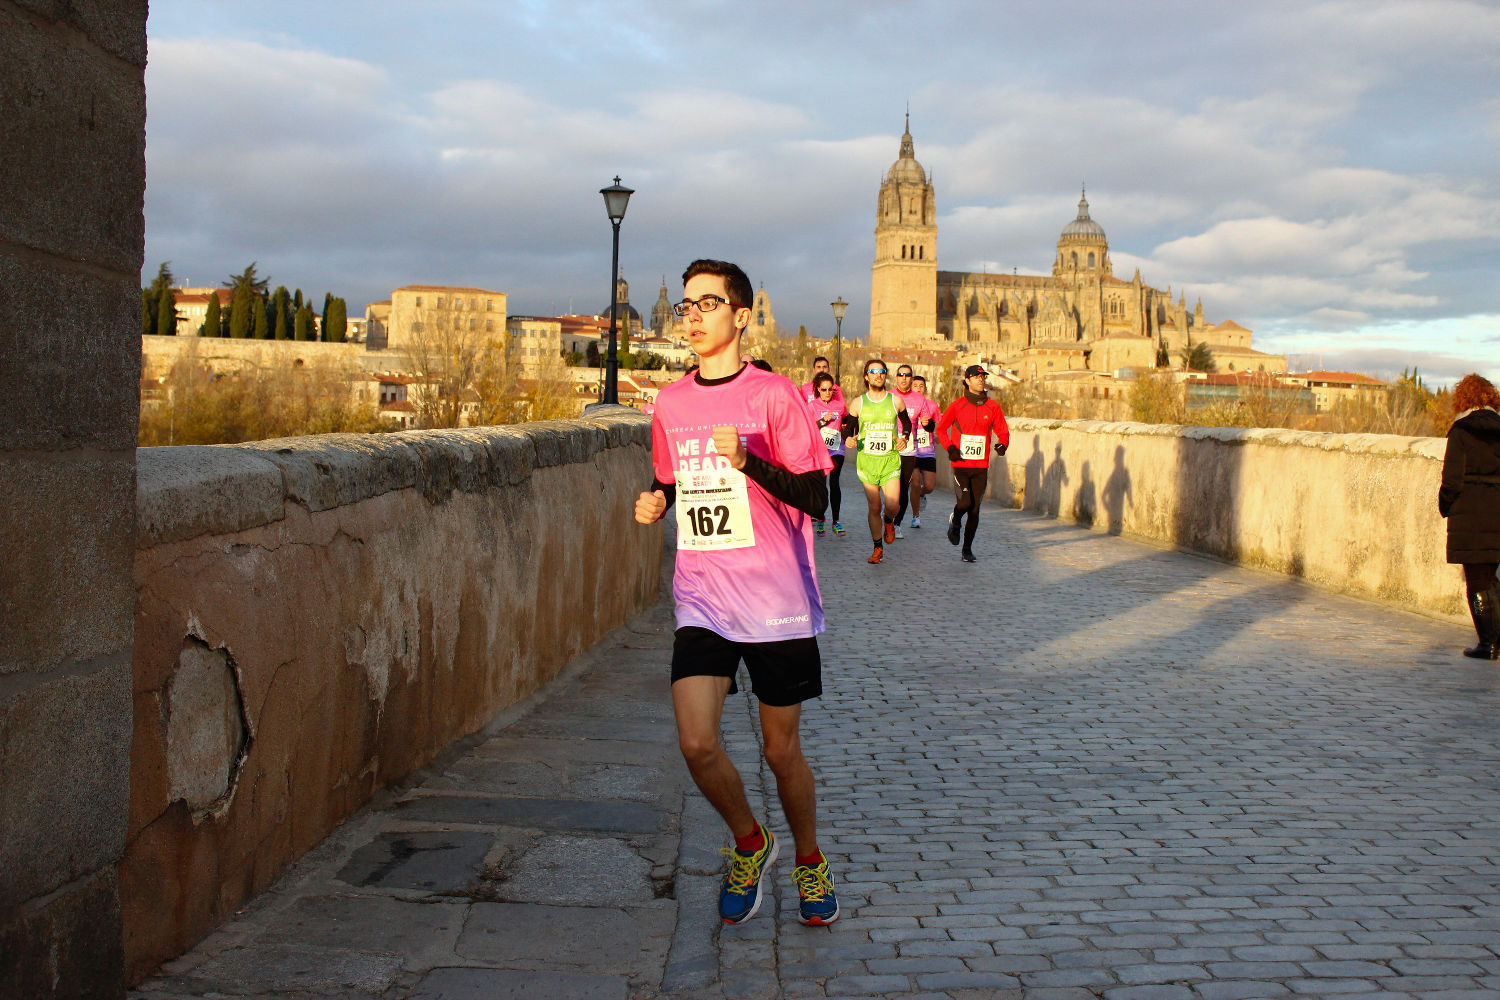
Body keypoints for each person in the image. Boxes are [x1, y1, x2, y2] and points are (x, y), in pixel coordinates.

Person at [634, 259, 840, 927]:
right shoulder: (671, 402)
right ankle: (752, 843)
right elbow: (673, 479)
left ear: (742, 316)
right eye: (687, 305)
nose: (691, 316)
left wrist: (749, 461)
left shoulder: (776, 396)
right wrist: (656, 501)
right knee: (697, 743)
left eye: (708, 304)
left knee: (781, 752)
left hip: (776, 601)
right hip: (703, 596)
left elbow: (820, 495)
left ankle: (809, 859)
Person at [1439, 373, 1500, 659]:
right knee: (1490, 578)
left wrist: (1445, 506)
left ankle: (1488, 644)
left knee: (1476, 582)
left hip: (1470, 513)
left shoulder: (1461, 431)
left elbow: (1452, 479)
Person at [935, 364, 1010, 563]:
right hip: (960, 464)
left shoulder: (993, 407)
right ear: (967, 380)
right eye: (976, 377)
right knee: (965, 503)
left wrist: (1003, 444)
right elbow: (941, 429)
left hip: (981, 466)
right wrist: (950, 448)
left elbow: (1002, 430)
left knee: (975, 510)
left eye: (983, 377)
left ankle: (967, 549)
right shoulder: (957, 406)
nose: (980, 380)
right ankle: (956, 519)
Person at [843, 357, 911, 564]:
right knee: (874, 507)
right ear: (866, 376)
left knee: (892, 504)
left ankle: (889, 521)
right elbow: (848, 429)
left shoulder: (895, 401)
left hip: (890, 460)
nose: (878, 375)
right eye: (873, 371)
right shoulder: (858, 403)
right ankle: (877, 547)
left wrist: (904, 437)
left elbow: (906, 424)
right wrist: (849, 439)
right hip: (868, 461)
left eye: (882, 371)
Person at [807, 372, 847, 536]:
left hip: (837, 448)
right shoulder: (812, 406)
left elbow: (847, 421)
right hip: (820, 450)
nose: (827, 392)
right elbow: (808, 428)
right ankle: (820, 517)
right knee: (821, 484)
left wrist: (849, 432)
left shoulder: (840, 405)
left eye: (830, 389)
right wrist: (823, 421)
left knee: (835, 481)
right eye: (824, 390)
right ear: (818, 389)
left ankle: (836, 520)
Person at [903, 374, 941, 528]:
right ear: (911, 387)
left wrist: (937, 435)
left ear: (925, 388)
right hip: (912, 451)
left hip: (928, 451)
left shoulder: (932, 406)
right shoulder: (906, 404)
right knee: (916, 483)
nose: (918, 388)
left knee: (930, 487)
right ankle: (915, 516)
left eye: (921, 386)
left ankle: (921, 495)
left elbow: (939, 424)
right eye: (915, 385)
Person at [888, 364, 917, 538]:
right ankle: (888, 516)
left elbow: (930, 426)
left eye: (907, 375)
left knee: (903, 489)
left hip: (908, 449)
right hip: (889, 448)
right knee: (891, 488)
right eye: (901, 375)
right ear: (896, 377)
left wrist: (929, 424)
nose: (904, 378)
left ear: (911, 378)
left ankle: (896, 524)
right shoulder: (888, 396)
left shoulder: (919, 399)